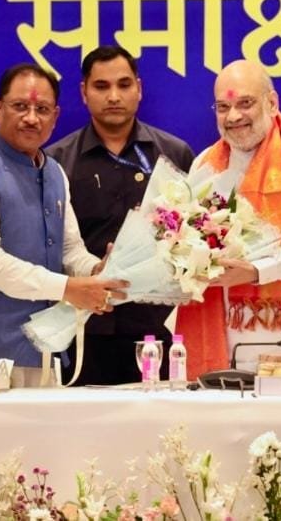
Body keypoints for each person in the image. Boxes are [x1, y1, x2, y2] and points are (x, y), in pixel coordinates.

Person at [0, 63, 128, 387]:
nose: (32, 118)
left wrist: (96, 272)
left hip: (42, 349)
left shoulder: (54, 173)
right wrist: (68, 288)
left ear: (56, 116)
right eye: (20, 106)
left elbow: (69, 249)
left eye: (42, 109)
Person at [176, 60, 281, 377]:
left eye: (245, 103)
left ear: (272, 103)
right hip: (226, 343)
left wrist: (258, 271)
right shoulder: (205, 164)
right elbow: (187, 242)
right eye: (223, 107)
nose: (233, 116)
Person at [48, 45, 195, 385]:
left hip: (160, 330)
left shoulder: (173, 154)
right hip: (82, 330)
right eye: (101, 86)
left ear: (139, 89)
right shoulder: (57, 162)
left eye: (124, 84)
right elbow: (51, 246)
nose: (114, 96)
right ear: (84, 92)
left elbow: (193, 240)